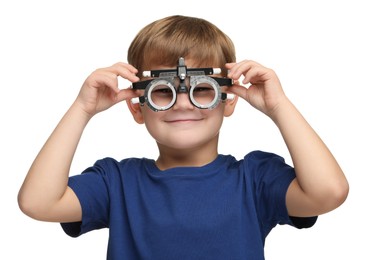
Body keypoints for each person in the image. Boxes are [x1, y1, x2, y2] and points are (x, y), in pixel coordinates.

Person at [18, 15, 349, 259]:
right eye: (164, 93)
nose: (183, 103)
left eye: (201, 90)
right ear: (138, 108)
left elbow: (329, 192)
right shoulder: (117, 181)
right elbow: (38, 203)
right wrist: (81, 109)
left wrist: (279, 105)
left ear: (228, 99)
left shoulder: (255, 179)